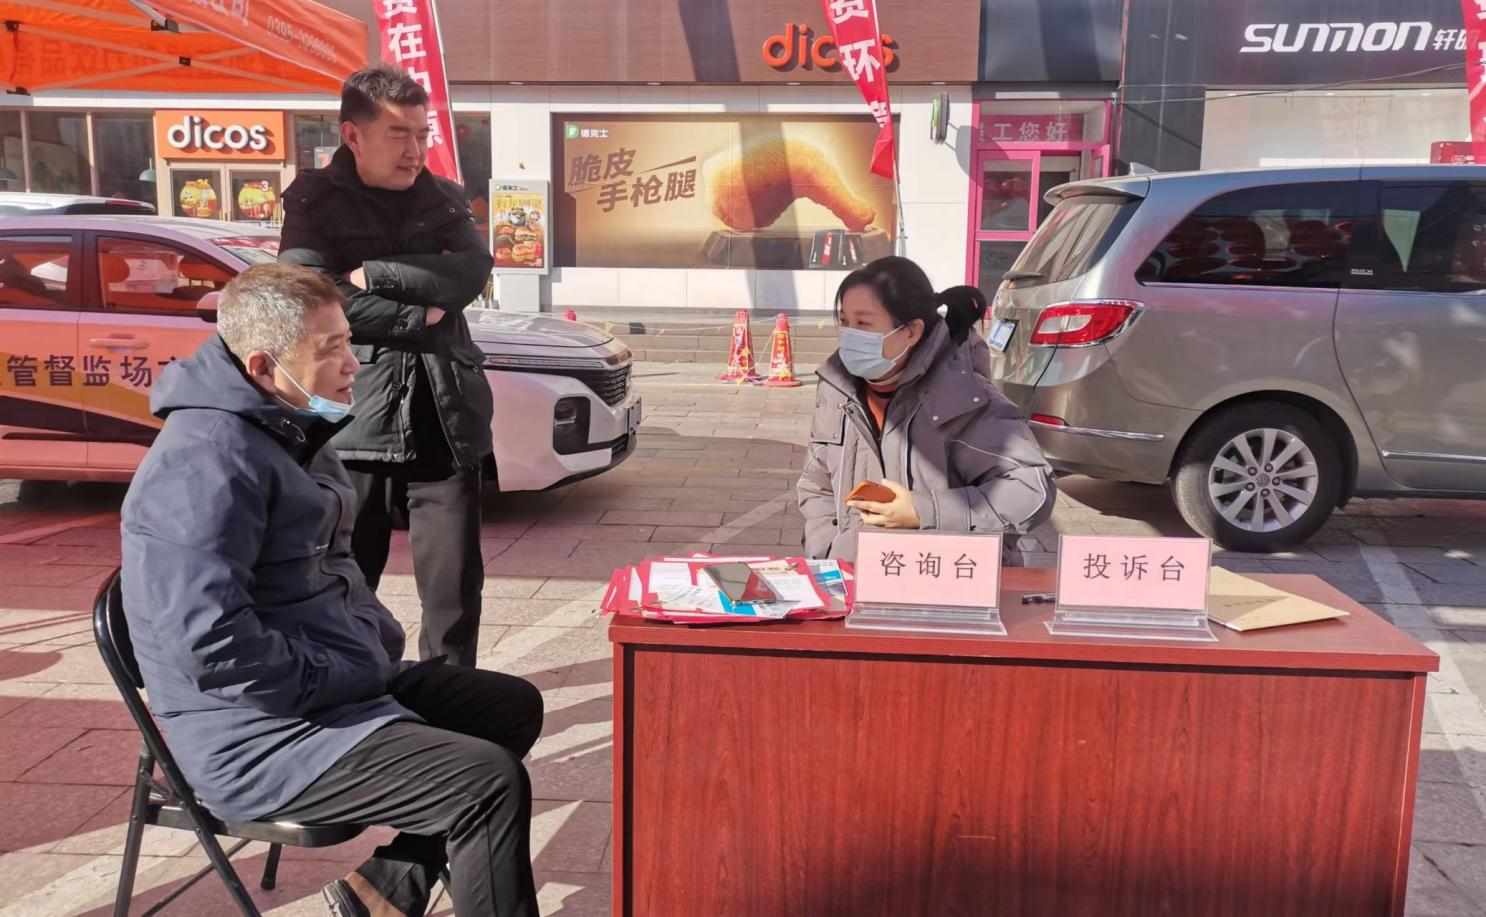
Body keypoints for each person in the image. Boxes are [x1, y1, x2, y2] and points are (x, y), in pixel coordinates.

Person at [120, 264, 542, 917]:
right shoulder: (203, 462)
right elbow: (208, 647)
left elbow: (331, 570)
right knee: (485, 784)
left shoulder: (291, 426)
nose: (352, 365)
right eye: (332, 349)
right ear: (263, 366)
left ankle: (384, 891)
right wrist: (345, 671)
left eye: (350, 342)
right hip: (256, 733)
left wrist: (369, 645)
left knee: (508, 707)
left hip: (326, 685)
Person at [278, 64, 495, 668]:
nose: (415, 150)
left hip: (446, 406)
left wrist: (373, 274)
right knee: (347, 576)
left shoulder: (444, 197)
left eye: (422, 134)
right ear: (353, 135)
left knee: (454, 586)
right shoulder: (315, 201)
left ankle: (454, 695)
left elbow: (471, 273)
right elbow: (310, 297)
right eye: (399, 134)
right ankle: (356, 687)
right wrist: (416, 315)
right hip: (356, 413)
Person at [798, 256, 1057, 562]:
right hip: (856, 576)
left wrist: (924, 511)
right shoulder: (837, 389)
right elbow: (816, 484)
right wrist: (828, 552)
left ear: (911, 331)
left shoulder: (965, 397)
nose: (849, 335)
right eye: (844, 322)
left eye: (863, 323)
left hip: (942, 575)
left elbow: (1031, 490)